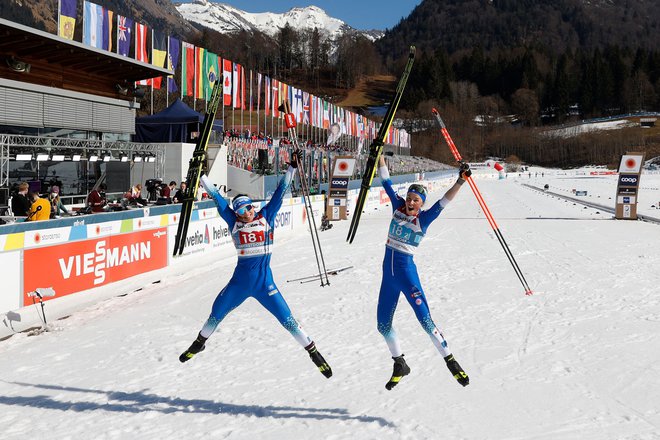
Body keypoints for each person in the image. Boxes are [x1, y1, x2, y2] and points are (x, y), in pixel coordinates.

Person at [179, 151, 332, 379]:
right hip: (239, 284)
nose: (245, 214)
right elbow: (217, 199)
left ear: (253, 207)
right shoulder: (233, 222)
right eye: (240, 211)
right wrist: (202, 176)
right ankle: (199, 342)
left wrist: (291, 168)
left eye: (247, 209)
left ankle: (313, 353)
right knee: (215, 313)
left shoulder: (266, 217)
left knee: (287, 319)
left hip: (264, 285)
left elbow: (281, 192)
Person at [376, 155, 471, 390]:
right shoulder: (397, 208)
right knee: (382, 325)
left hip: (406, 274)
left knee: (425, 320)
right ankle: (400, 363)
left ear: (421, 203)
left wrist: (461, 181)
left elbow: (444, 201)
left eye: (415, 200)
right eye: (409, 197)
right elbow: (386, 181)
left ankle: (450, 360)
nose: (410, 202)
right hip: (388, 278)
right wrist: (379, 157)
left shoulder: (424, 218)